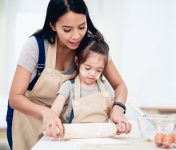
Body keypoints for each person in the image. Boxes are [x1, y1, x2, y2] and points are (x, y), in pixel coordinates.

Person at [7, 0, 131, 150]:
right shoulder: (36, 46)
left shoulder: (93, 47)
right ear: (53, 25)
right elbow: (15, 97)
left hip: (66, 124)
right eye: (67, 29)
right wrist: (47, 112)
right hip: (29, 119)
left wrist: (118, 109)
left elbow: (120, 85)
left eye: (82, 27)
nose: (76, 36)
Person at [47, 35, 115, 137]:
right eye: (87, 68)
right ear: (77, 62)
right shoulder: (69, 86)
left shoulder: (105, 87)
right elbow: (56, 108)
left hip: (102, 136)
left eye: (98, 70)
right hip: (75, 137)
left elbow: (113, 111)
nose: (92, 74)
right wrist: (53, 121)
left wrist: (119, 121)